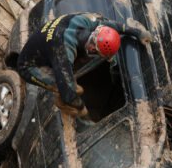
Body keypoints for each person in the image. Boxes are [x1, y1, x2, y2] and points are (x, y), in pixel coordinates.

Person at [17, 12, 151, 116]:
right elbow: (68, 94)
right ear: (93, 49)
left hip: (46, 43)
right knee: (67, 87)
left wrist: (136, 32)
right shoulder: (64, 51)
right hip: (29, 66)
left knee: (69, 76)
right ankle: (60, 103)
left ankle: (65, 76)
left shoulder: (85, 21)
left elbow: (110, 24)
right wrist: (81, 109)